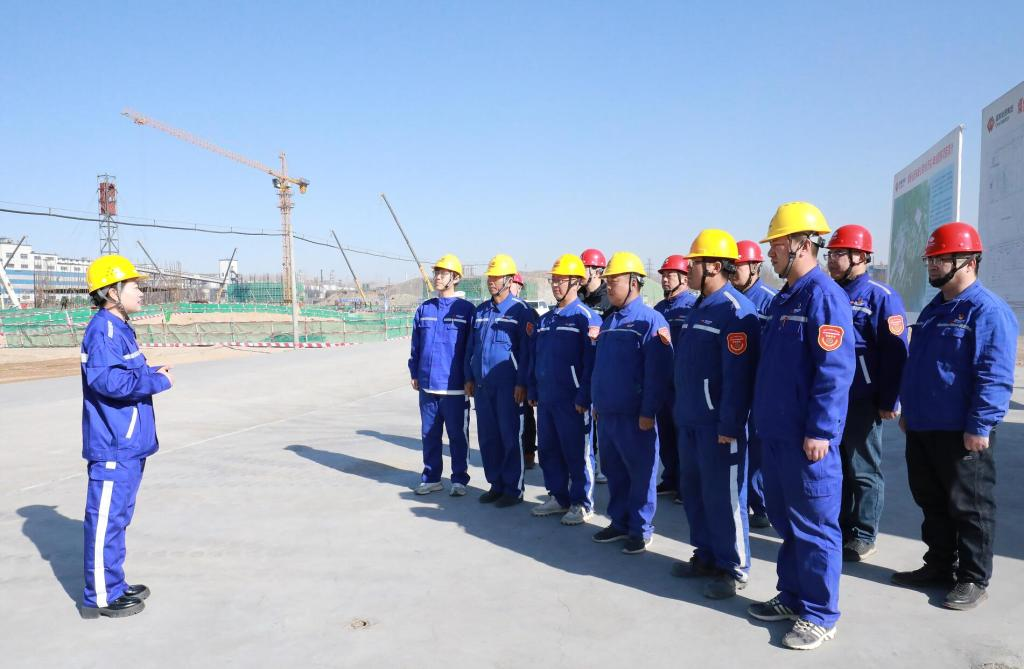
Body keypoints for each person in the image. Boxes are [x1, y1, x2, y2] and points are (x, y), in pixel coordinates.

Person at [746, 202, 854, 651]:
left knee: (815, 526)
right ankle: (792, 596)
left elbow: (835, 370)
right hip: (775, 434)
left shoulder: (824, 296)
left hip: (806, 439)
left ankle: (821, 614)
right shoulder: (785, 298)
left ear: (801, 244)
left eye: (776, 244)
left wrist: (822, 431)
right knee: (787, 522)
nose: (770, 252)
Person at [893, 222, 1018, 611]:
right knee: (931, 500)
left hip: (962, 432)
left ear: (970, 261)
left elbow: (994, 373)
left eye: (942, 258)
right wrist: (908, 410)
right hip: (923, 426)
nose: (933, 265)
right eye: (931, 259)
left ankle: (973, 578)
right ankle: (939, 565)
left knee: (970, 506)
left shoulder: (987, 310)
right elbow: (921, 364)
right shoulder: (936, 307)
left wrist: (980, 425)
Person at [79, 255, 174, 619]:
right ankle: (101, 595)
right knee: (105, 520)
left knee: (118, 518)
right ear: (112, 292)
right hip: (113, 445)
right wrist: (157, 381)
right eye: (134, 286)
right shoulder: (103, 331)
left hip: (129, 443)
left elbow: (124, 374)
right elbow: (107, 381)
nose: (141, 292)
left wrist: (151, 372)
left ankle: (114, 583)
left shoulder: (119, 328)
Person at [671, 230, 760, 599]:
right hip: (691, 420)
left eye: (694, 263)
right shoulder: (700, 306)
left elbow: (739, 377)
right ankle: (706, 554)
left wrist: (730, 424)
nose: (688, 269)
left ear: (713, 266)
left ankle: (733, 568)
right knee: (695, 493)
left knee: (725, 498)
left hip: (718, 426)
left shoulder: (736, 311)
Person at [825, 226, 908, 561]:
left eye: (838, 254)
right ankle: (842, 527)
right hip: (833, 399)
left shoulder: (881, 296)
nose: (831, 260)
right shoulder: (831, 293)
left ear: (859, 256)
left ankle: (864, 534)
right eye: (830, 254)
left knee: (863, 470)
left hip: (863, 400)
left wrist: (889, 400)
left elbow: (896, 353)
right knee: (839, 468)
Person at [590, 252, 673, 554]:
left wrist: (648, 411)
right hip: (608, 413)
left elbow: (658, 373)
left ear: (634, 283)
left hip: (636, 416)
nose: (609, 286)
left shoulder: (651, 321)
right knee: (615, 472)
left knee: (640, 473)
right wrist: (597, 402)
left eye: (615, 281)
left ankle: (640, 528)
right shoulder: (609, 321)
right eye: (608, 281)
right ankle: (620, 521)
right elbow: (601, 367)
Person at [528, 254, 602, 525]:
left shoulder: (586, 318)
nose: (556, 285)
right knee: (549, 450)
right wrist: (533, 388)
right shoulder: (545, 320)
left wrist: (584, 395)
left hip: (573, 401)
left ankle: (582, 503)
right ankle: (558, 496)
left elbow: (591, 364)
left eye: (561, 280)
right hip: (547, 399)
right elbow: (535, 358)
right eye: (554, 280)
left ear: (577, 282)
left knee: (577, 453)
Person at [464, 254, 536, 507]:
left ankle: (513, 490)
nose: (491, 282)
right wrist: (469, 376)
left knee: (510, 437)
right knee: (488, 438)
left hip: (509, 388)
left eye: (496, 278)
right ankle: (496, 484)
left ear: (508, 280)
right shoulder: (481, 311)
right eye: (490, 278)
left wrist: (522, 383)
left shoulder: (521, 311)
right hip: (483, 386)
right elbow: (471, 347)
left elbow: (528, 352)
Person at [408, 254, 475, 496]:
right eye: (436, 272)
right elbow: (416, 345)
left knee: (458, 437)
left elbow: (471, 348)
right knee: (429, 435)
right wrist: (415, 371)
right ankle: (431, 478)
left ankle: (459, 479)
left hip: (455, 387)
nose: (437, 277)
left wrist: (469, 378)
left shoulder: (466, 310)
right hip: (427, 386)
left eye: (443, 273)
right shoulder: (425, 309)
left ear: (455, 278)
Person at [730, 240, 777, 529]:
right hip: (735, 385)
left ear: (755, 267)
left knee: (759, 449)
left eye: (739, 265)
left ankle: (761, 505)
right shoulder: (728, 301)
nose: (734, 270)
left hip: (761, 387)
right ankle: (740, 498)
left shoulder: (770, 300)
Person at [653, 255, 696, 502]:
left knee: (683, 436)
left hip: (683, 384)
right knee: (666, 434)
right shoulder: (659, 308)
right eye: (663, 275)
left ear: (684, 278)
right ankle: (670, 478)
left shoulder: (692, 306)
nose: (665, 279)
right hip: (663, 383)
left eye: (670, 274)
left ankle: (685, 484)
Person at [579, 248, 613, 484]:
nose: (581, 273)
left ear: (597, 271)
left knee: (600, 418)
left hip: (602, 365)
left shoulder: (608, 299)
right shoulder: (578, 296)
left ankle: (602, 464)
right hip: (581, 366)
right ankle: (587, 461)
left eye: (585, 268)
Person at [510, 273, 539, 470]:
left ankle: (528, 452)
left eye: (514, 284)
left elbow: (531, 347)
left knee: (526, 415)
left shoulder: (526, 312)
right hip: (504, 376)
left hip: (524, 374)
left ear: (519, 288)